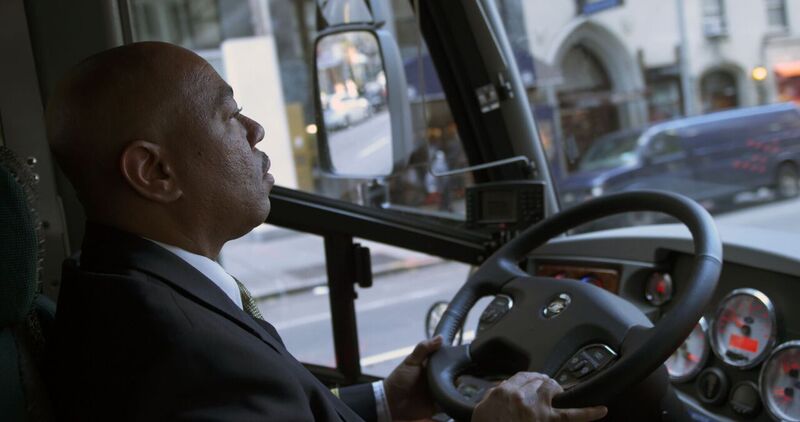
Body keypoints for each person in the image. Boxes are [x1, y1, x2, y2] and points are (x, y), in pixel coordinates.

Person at [46, 41, 608, 421]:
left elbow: (275, 406)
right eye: (226, 116)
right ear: (155, 172)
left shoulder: (128, 289)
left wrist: (387, 401)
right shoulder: (174, 350)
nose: (256, 129)